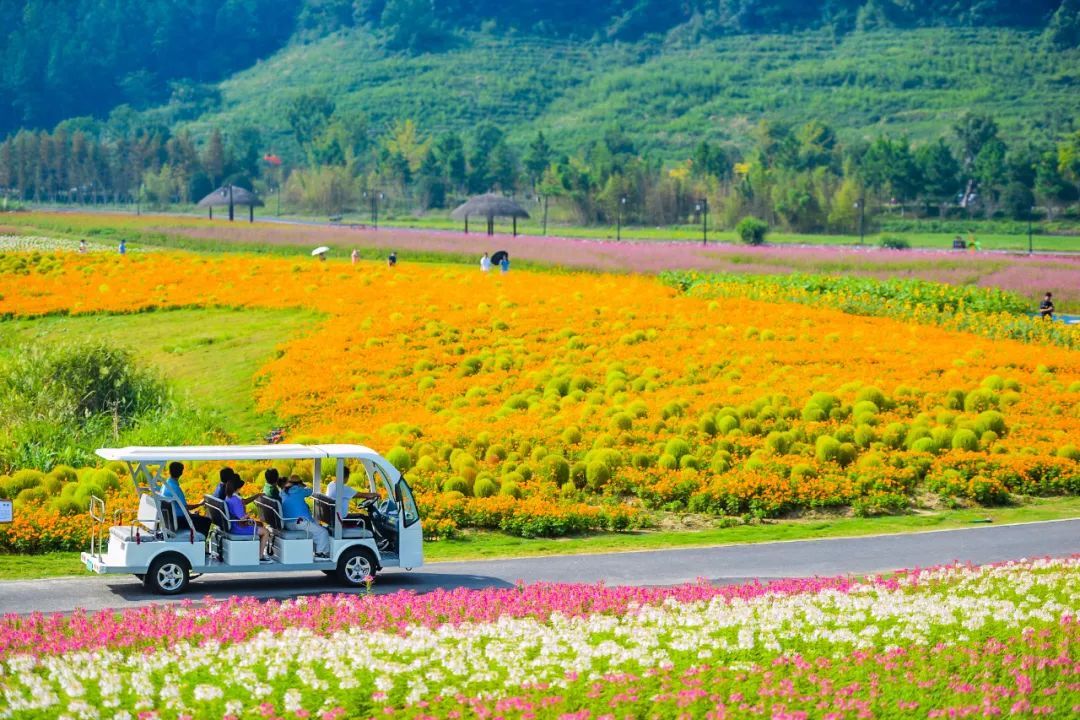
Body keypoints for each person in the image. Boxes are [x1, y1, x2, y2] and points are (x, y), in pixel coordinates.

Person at [223, 476, 272, 563]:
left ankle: (258, 552)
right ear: (237, 488)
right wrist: (249, 514)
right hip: (238, 528)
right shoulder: (236, 501)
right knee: (266, 532)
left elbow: (244, 502)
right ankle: (260, 557)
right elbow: (242, 519)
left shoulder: (229, 497)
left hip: (234, 525)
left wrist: (257, 495)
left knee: (260, 525)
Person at [280, 475, 331, 558]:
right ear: (299, 483)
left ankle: (317, 550)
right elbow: (311, 491)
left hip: (288, 523)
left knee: (316, 526)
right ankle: (320, 554)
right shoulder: (300, 490)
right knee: (323, 532)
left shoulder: (282, 491)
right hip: (299, 523)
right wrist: (303, 485)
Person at [161, 462, 212, 535]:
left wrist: (191, 514)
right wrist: (200, 504)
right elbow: (186, 507)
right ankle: (200, 543)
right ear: (181, 472)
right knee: (206, 521)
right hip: (179, 521)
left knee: (197, 518)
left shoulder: (166, 484)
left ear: (170, 471)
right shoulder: (175, 489)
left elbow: (180, 507)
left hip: (170, 520)